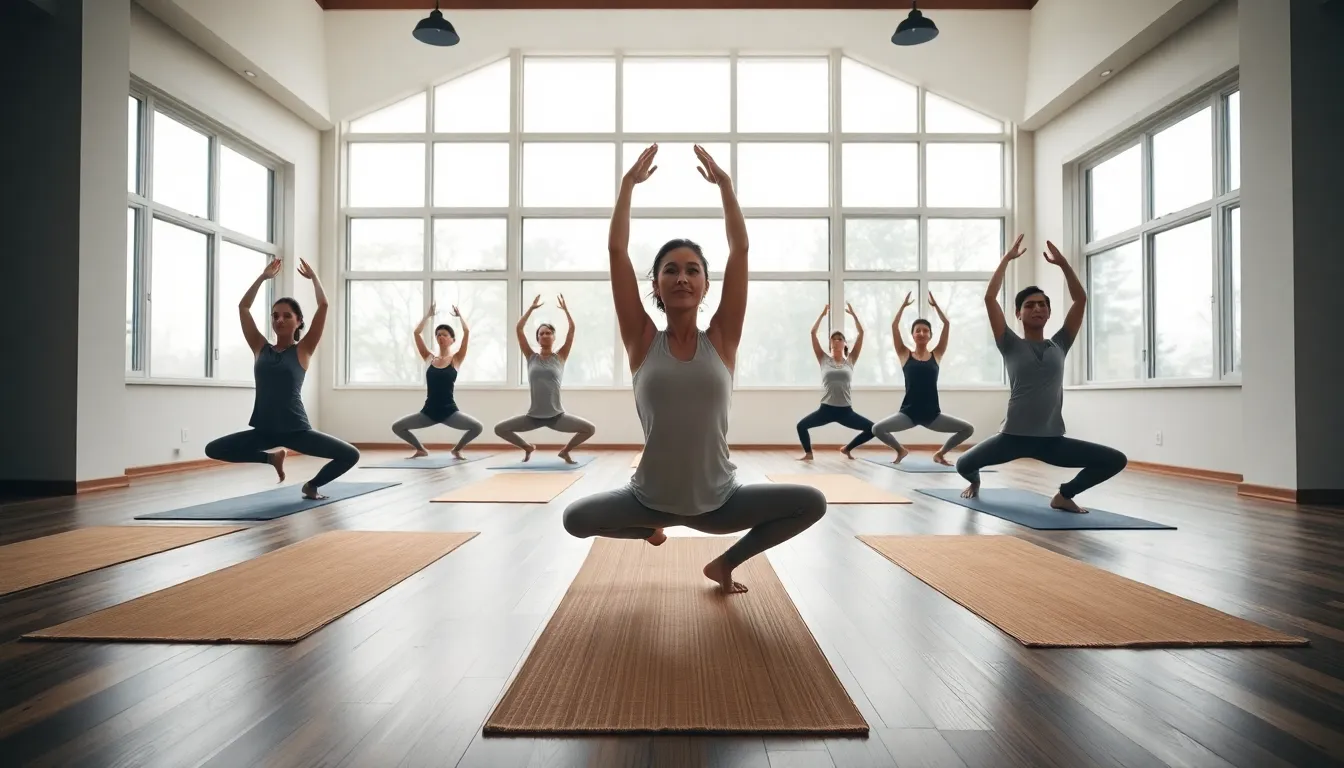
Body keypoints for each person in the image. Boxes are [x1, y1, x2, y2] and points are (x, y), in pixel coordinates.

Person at [562, 143, 827, 595]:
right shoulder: (640, 341)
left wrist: (725, 187)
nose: (681, 277)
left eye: (692, 270)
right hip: (648, 499)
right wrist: (627, 187)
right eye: (670, 270)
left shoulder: (722, 339)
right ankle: (650, 530)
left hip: (720, 502)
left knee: (811, 502)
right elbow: (616, 251)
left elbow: (740, 249)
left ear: (705, 284)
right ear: (657, 287)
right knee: (575, 519)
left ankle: (724, 564)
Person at [954, 236, 1127, 513]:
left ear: (1048, 313)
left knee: (1116, 459)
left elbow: (1080, 299)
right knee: (963, 465)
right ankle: (976, 483)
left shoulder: (1060, 343)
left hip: (1051, 440)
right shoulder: (1009, 343)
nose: (1037, 308)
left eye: (1042, 305)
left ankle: (1064, 495)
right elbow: (989, 298)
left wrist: (1063, 265)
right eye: (1029, 305)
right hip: (1011, 437)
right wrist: (1006, 260)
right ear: (1018, 314)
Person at [204, 257, 359, 500]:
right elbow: (243, 308)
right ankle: (271, 458)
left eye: (287, 316)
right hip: (264, 430)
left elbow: (324, 305)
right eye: (275, 316)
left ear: (298, 322)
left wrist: (314, 278)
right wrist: (263, 277)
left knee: (351, 454)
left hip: (296, 430)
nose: (279, 320)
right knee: (213, 449)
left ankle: (312, 485)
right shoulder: (260, 347)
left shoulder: (303, 350)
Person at [871, 291, 975, 465]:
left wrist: (936, 308)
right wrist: (903, 307)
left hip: (932, 414)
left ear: (930, 336)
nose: (921, 333)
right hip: (908, 413)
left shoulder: (937, 354)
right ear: (913, 335)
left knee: (968, 429)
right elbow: (894, 326)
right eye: (917, 330)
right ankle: (900, 450)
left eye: (925, 330)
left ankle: (940, 454)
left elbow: (947, 324)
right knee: (877, 429)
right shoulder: (905, 354)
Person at [493, 294, 596, 464]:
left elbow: (571, 331)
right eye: (541, 333)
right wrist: (531, 309)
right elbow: (519, 329)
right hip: (534, 416)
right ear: (538, 338)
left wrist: (566, 311)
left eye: (549, 333)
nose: (545, 335)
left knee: (589, 429)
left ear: (554, 337)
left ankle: (565, 451)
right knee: (500, 429)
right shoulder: (531, 357)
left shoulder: (560, 356)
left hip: (556, 416)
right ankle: (527, 447)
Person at [389, 302, 484, 460]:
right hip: (429, 412)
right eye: (438, 334)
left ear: (452, 339)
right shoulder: (429, 358)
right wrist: (427, 316)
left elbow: (467, 332)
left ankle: (456, 450)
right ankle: (421, 450)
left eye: (445, 335)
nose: (441, 337)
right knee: (397, 427)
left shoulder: (456, 359)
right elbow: (416, 333)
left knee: (477, 427)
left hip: (449, 412)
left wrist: (460, 316)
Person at [796, 303, 876, 461]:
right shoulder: (823, 359)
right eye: (834, 339)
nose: (837, 341)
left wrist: (853, 315)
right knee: (801, 426)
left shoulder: (850, 360)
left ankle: (847, 449)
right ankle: (808, 453)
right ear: (830, 343)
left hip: (846, 411)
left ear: (844, 343)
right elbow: (812, 333)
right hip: (825, 409)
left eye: (840, 339)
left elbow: (861, 333)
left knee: (873, 429)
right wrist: (822, 315)